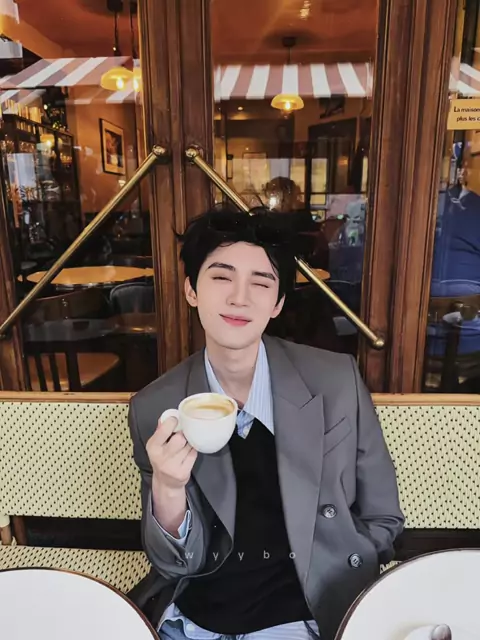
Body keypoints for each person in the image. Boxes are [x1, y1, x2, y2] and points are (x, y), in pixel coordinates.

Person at [128, 206, 404, 640]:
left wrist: (348, 566)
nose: (240, 298)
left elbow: (383, 514)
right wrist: (167, 485)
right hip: (196, 619)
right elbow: (172, 563)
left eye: (261, 283)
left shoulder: (335, 381)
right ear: (191, 290)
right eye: (221, 277)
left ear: (277, 304)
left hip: (302, 613)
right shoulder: (157, 406)